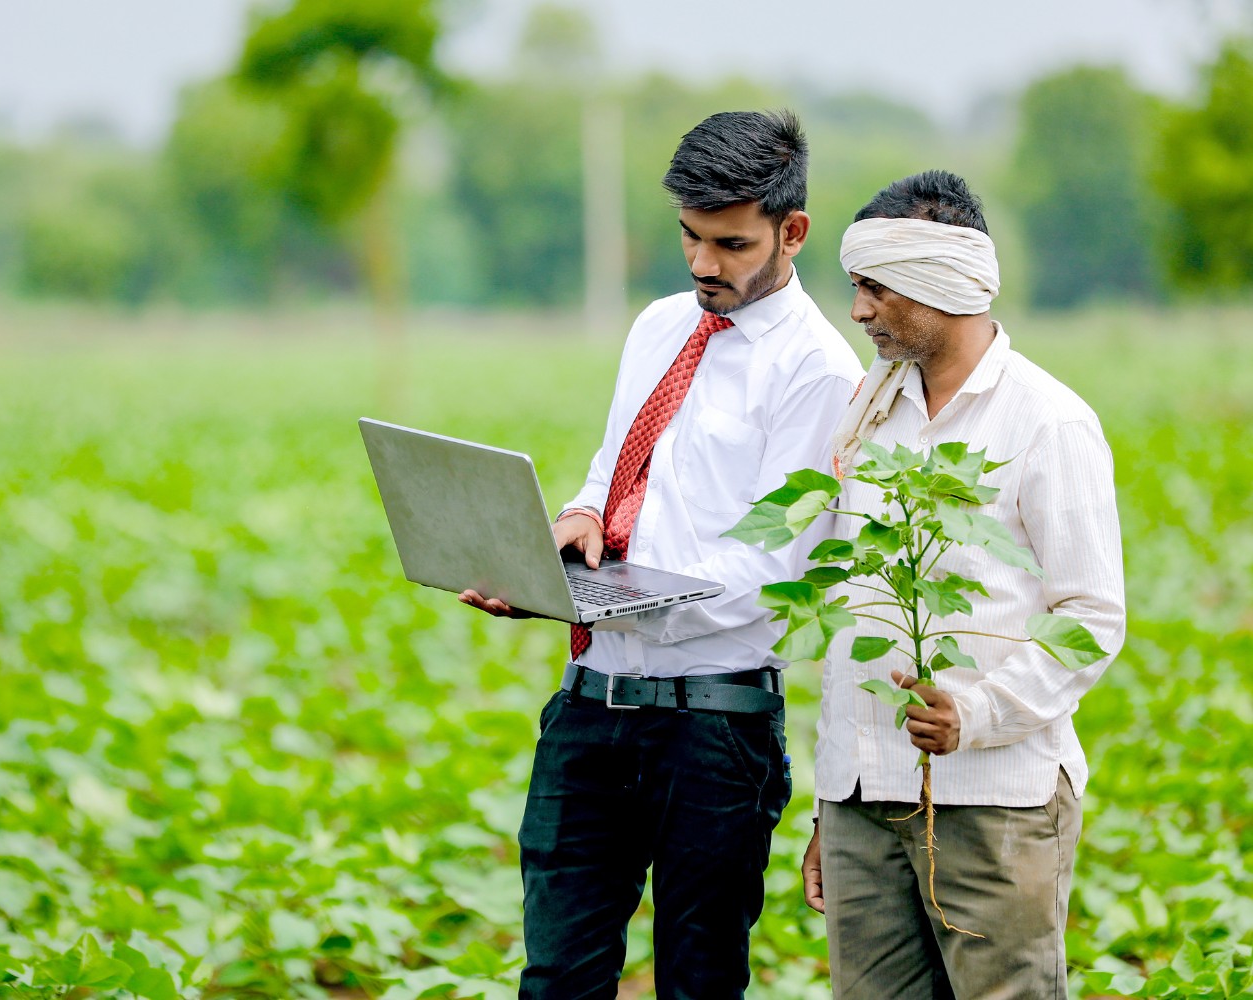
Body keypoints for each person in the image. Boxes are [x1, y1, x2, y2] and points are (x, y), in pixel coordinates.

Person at [459, 109, 863, 998]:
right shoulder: (656, 326)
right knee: (556, 978)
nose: (703, 263)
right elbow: (614, 467)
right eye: (689, 235)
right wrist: (573, 530)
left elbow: (779, 574)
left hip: (713, 729)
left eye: (731, 243)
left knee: (698, 982)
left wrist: (623, 600)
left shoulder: (819, 371)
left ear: (793, 232)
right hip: (588, 707)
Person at [802, 170, 1126, 1000]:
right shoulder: (868, 413)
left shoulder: (1047, 421)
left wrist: (976, 713)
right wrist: (830, 808)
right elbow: (851, 612)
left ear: (942, 283)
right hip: (863, 800)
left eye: (875, 288)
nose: (858, 311)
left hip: (996, 801)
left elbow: (1091, 616)